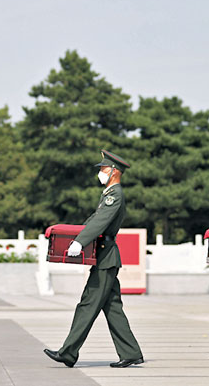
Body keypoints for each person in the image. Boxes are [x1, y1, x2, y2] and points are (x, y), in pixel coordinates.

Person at [44, 150, 144, 369]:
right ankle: (131, 352)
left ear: (114, 171)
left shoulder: (114, 193)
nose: (100, 172)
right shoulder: (108, 193)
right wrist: (76, 233)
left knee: (88, 304)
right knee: (112, 307)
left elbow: (101, 221)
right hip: (104, 256)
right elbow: (93, 220)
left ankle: (68, 352)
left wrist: (80, 241)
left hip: (106, 257)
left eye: (103, 168)